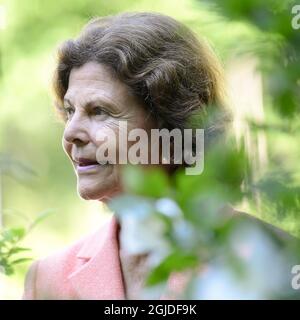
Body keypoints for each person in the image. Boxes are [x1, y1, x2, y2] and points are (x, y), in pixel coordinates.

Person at [22, 12, 294, 300]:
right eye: (69, 111)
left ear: (172, 124)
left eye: (99, 111)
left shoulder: (276, 260)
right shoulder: (48, 279)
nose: (71, 133)